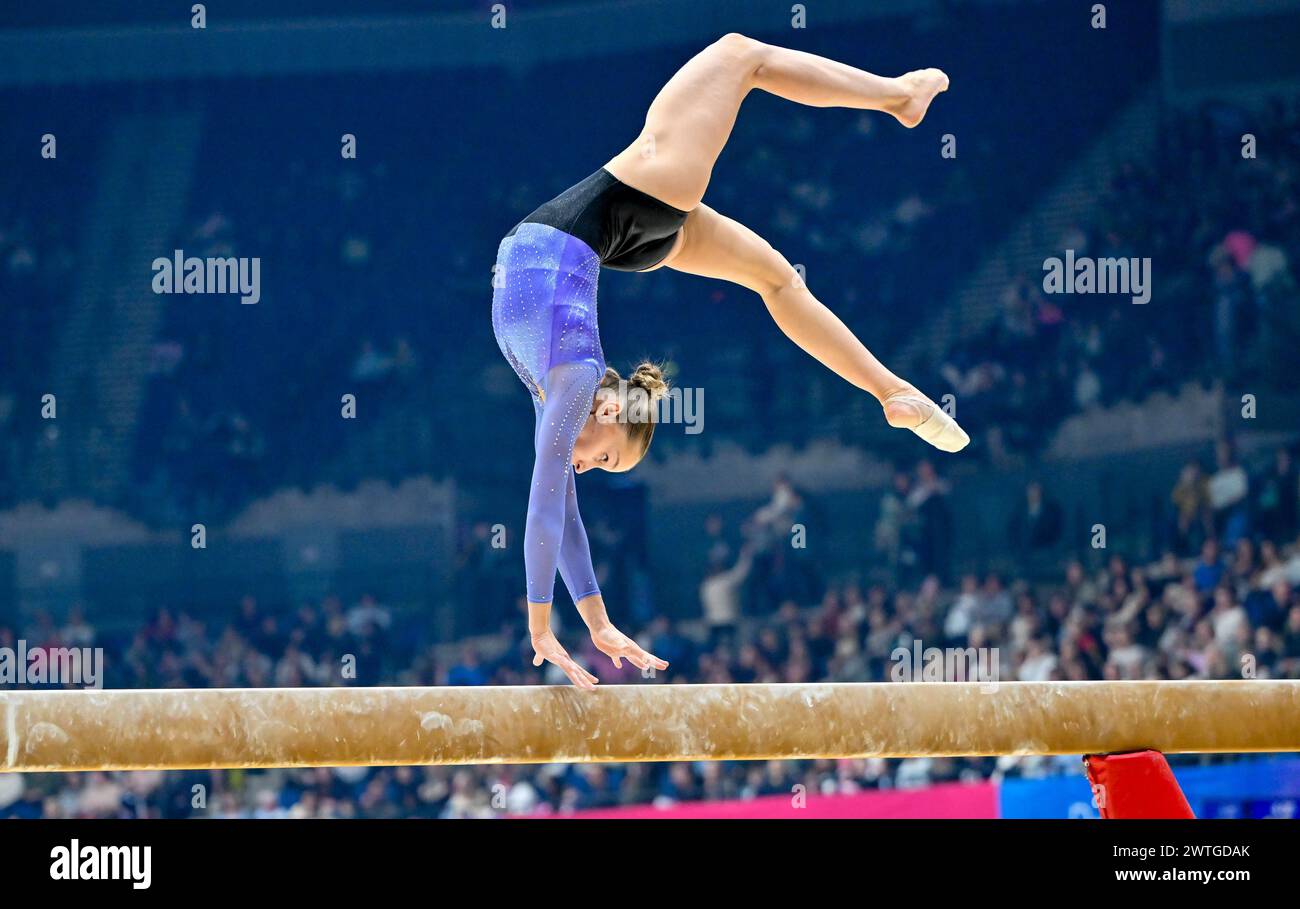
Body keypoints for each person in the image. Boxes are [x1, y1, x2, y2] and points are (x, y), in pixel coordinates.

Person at [492, 35, 968, 687]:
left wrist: (566, 623)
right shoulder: (565, 388)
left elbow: (552, 508)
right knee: (742, 72)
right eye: (608, 458)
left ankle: (898, 102)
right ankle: (890, 386)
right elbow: (556, 506)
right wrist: (571, 622)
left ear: (608, 405)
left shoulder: (565, 388)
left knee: (743, 73)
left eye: (603, 458)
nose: (591, 465)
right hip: (634, 211)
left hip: (632, 208)